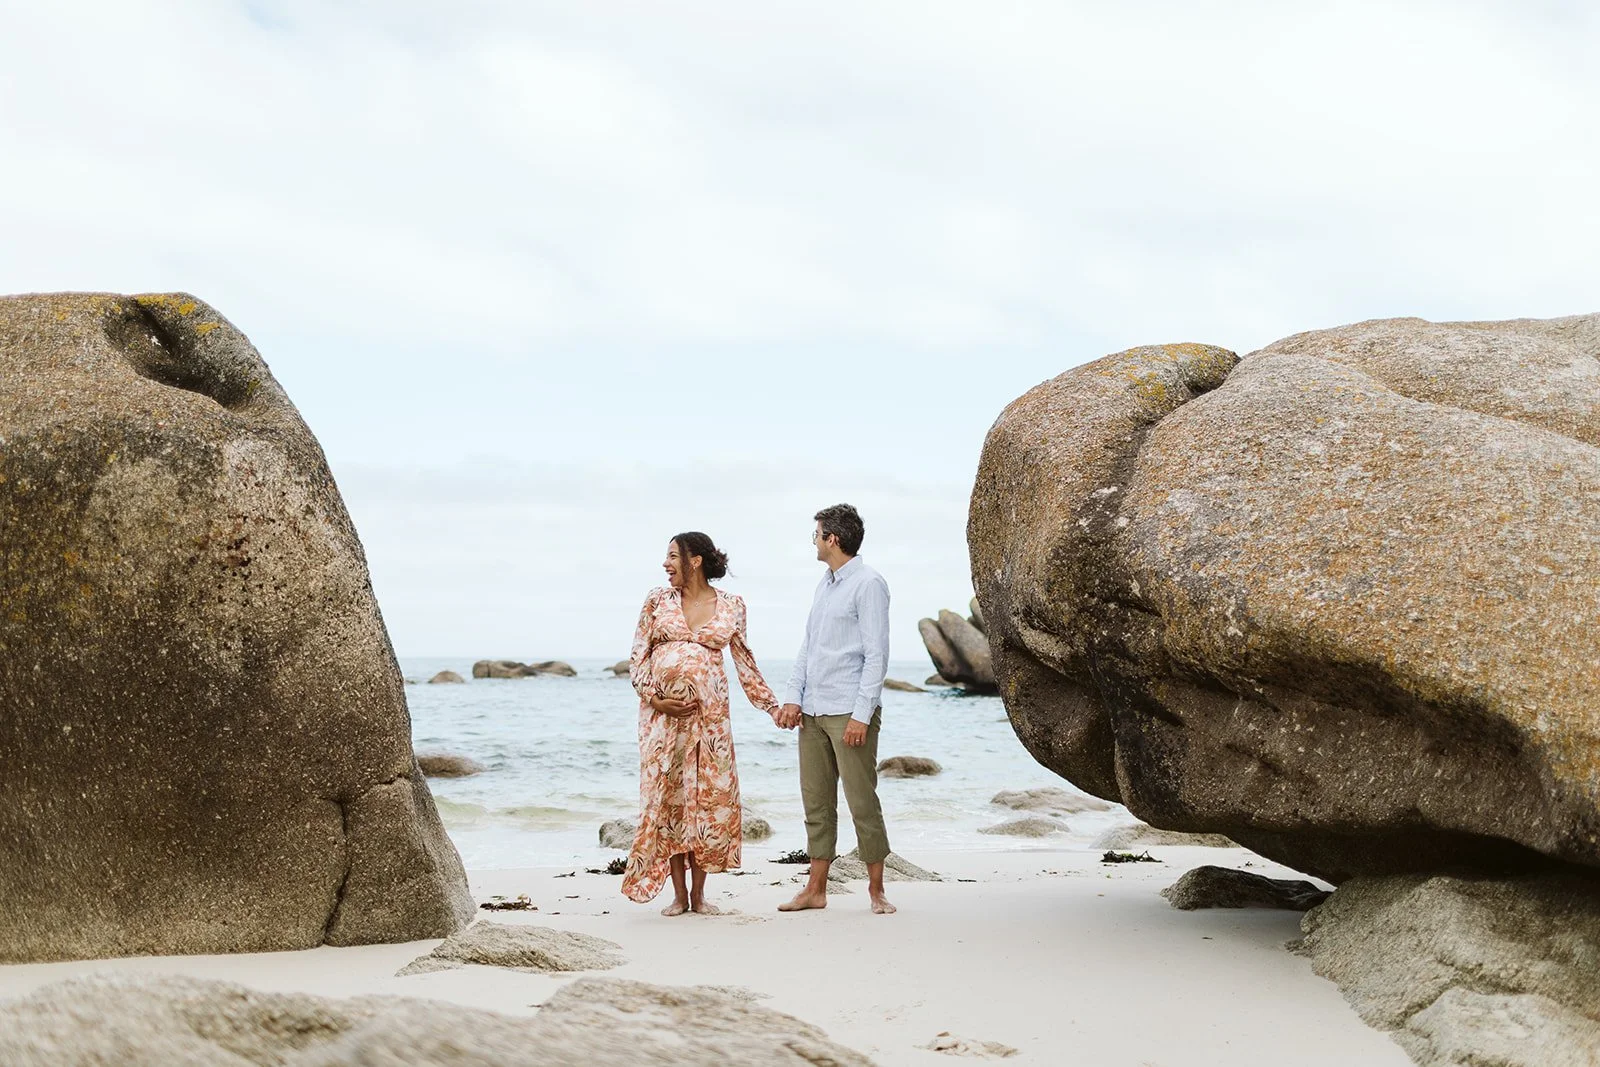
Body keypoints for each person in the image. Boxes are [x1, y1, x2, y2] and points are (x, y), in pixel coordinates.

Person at [622, 531, 783, 915]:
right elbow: (637, 657)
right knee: (670, 800)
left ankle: (699, 895)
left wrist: (772, 706)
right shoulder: (657, 601)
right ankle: (678, 896)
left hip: (710, 724)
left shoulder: (731, 606)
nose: (666, 564)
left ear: (695, 560)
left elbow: (745, 661)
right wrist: (657, 698)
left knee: (706, 801)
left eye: (673, 556)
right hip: (662, 722)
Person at [773, 503, 896, 915]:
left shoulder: (869, 583)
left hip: (849, 710)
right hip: (812, 709)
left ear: (833, 539)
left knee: (862, 801)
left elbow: (877, 655)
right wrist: (793, 697)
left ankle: (877, 891)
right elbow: (809, 646)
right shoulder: (824, 584)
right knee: (817, 803)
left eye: (817, 535)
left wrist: (862, 715)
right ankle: (815, 890)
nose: (814, 542)